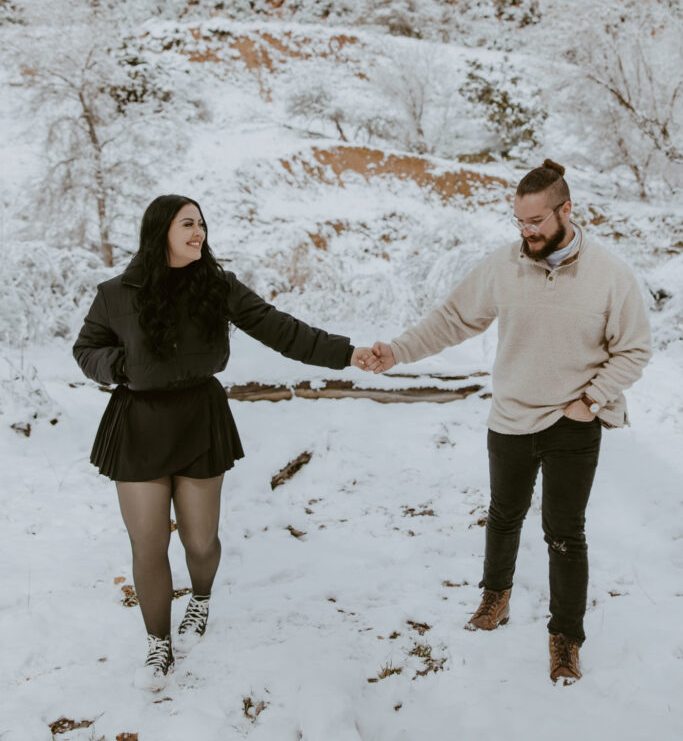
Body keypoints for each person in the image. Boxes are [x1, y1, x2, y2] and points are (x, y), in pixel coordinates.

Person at [365, 160, 652, 683]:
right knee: (502, 516)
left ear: (567, 210)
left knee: (565, 533)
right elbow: (452, 318)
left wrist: (592, 399)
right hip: (511, 416)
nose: (526, 232)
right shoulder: (504, 265)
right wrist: (397, 351)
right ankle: (494, 597)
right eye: (519, 221)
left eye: (536, 221)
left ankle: (565, 638)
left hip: (572, 421)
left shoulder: (610, 275)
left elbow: (634, 349)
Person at [73, 194, 374, 691]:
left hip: (199, 418)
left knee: (199, 540)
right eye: (188, 224)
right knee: (148, 544)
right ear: (160, 231)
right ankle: (158, 644)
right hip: (139, 425)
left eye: (202, 224)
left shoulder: (217, 286)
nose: (199, 233)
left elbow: (281, 329)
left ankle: (202, 599)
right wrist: (119, 368)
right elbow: (87, 349)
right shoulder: (116, 293)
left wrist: (348, 353)